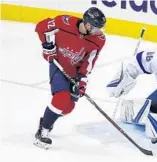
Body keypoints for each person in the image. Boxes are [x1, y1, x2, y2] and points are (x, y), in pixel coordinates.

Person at [34, 7, 106, 149]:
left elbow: (90, 61)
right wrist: (47, 46)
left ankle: (47, 120)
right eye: (96, 28)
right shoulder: (63, 22)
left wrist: (83, 80)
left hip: (75, 72)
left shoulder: (98, 40)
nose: (99, 31)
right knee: (61, 98)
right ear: (87, 24)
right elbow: (40, 27)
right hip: (58, 65)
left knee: (68, 107)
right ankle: (43, 131)